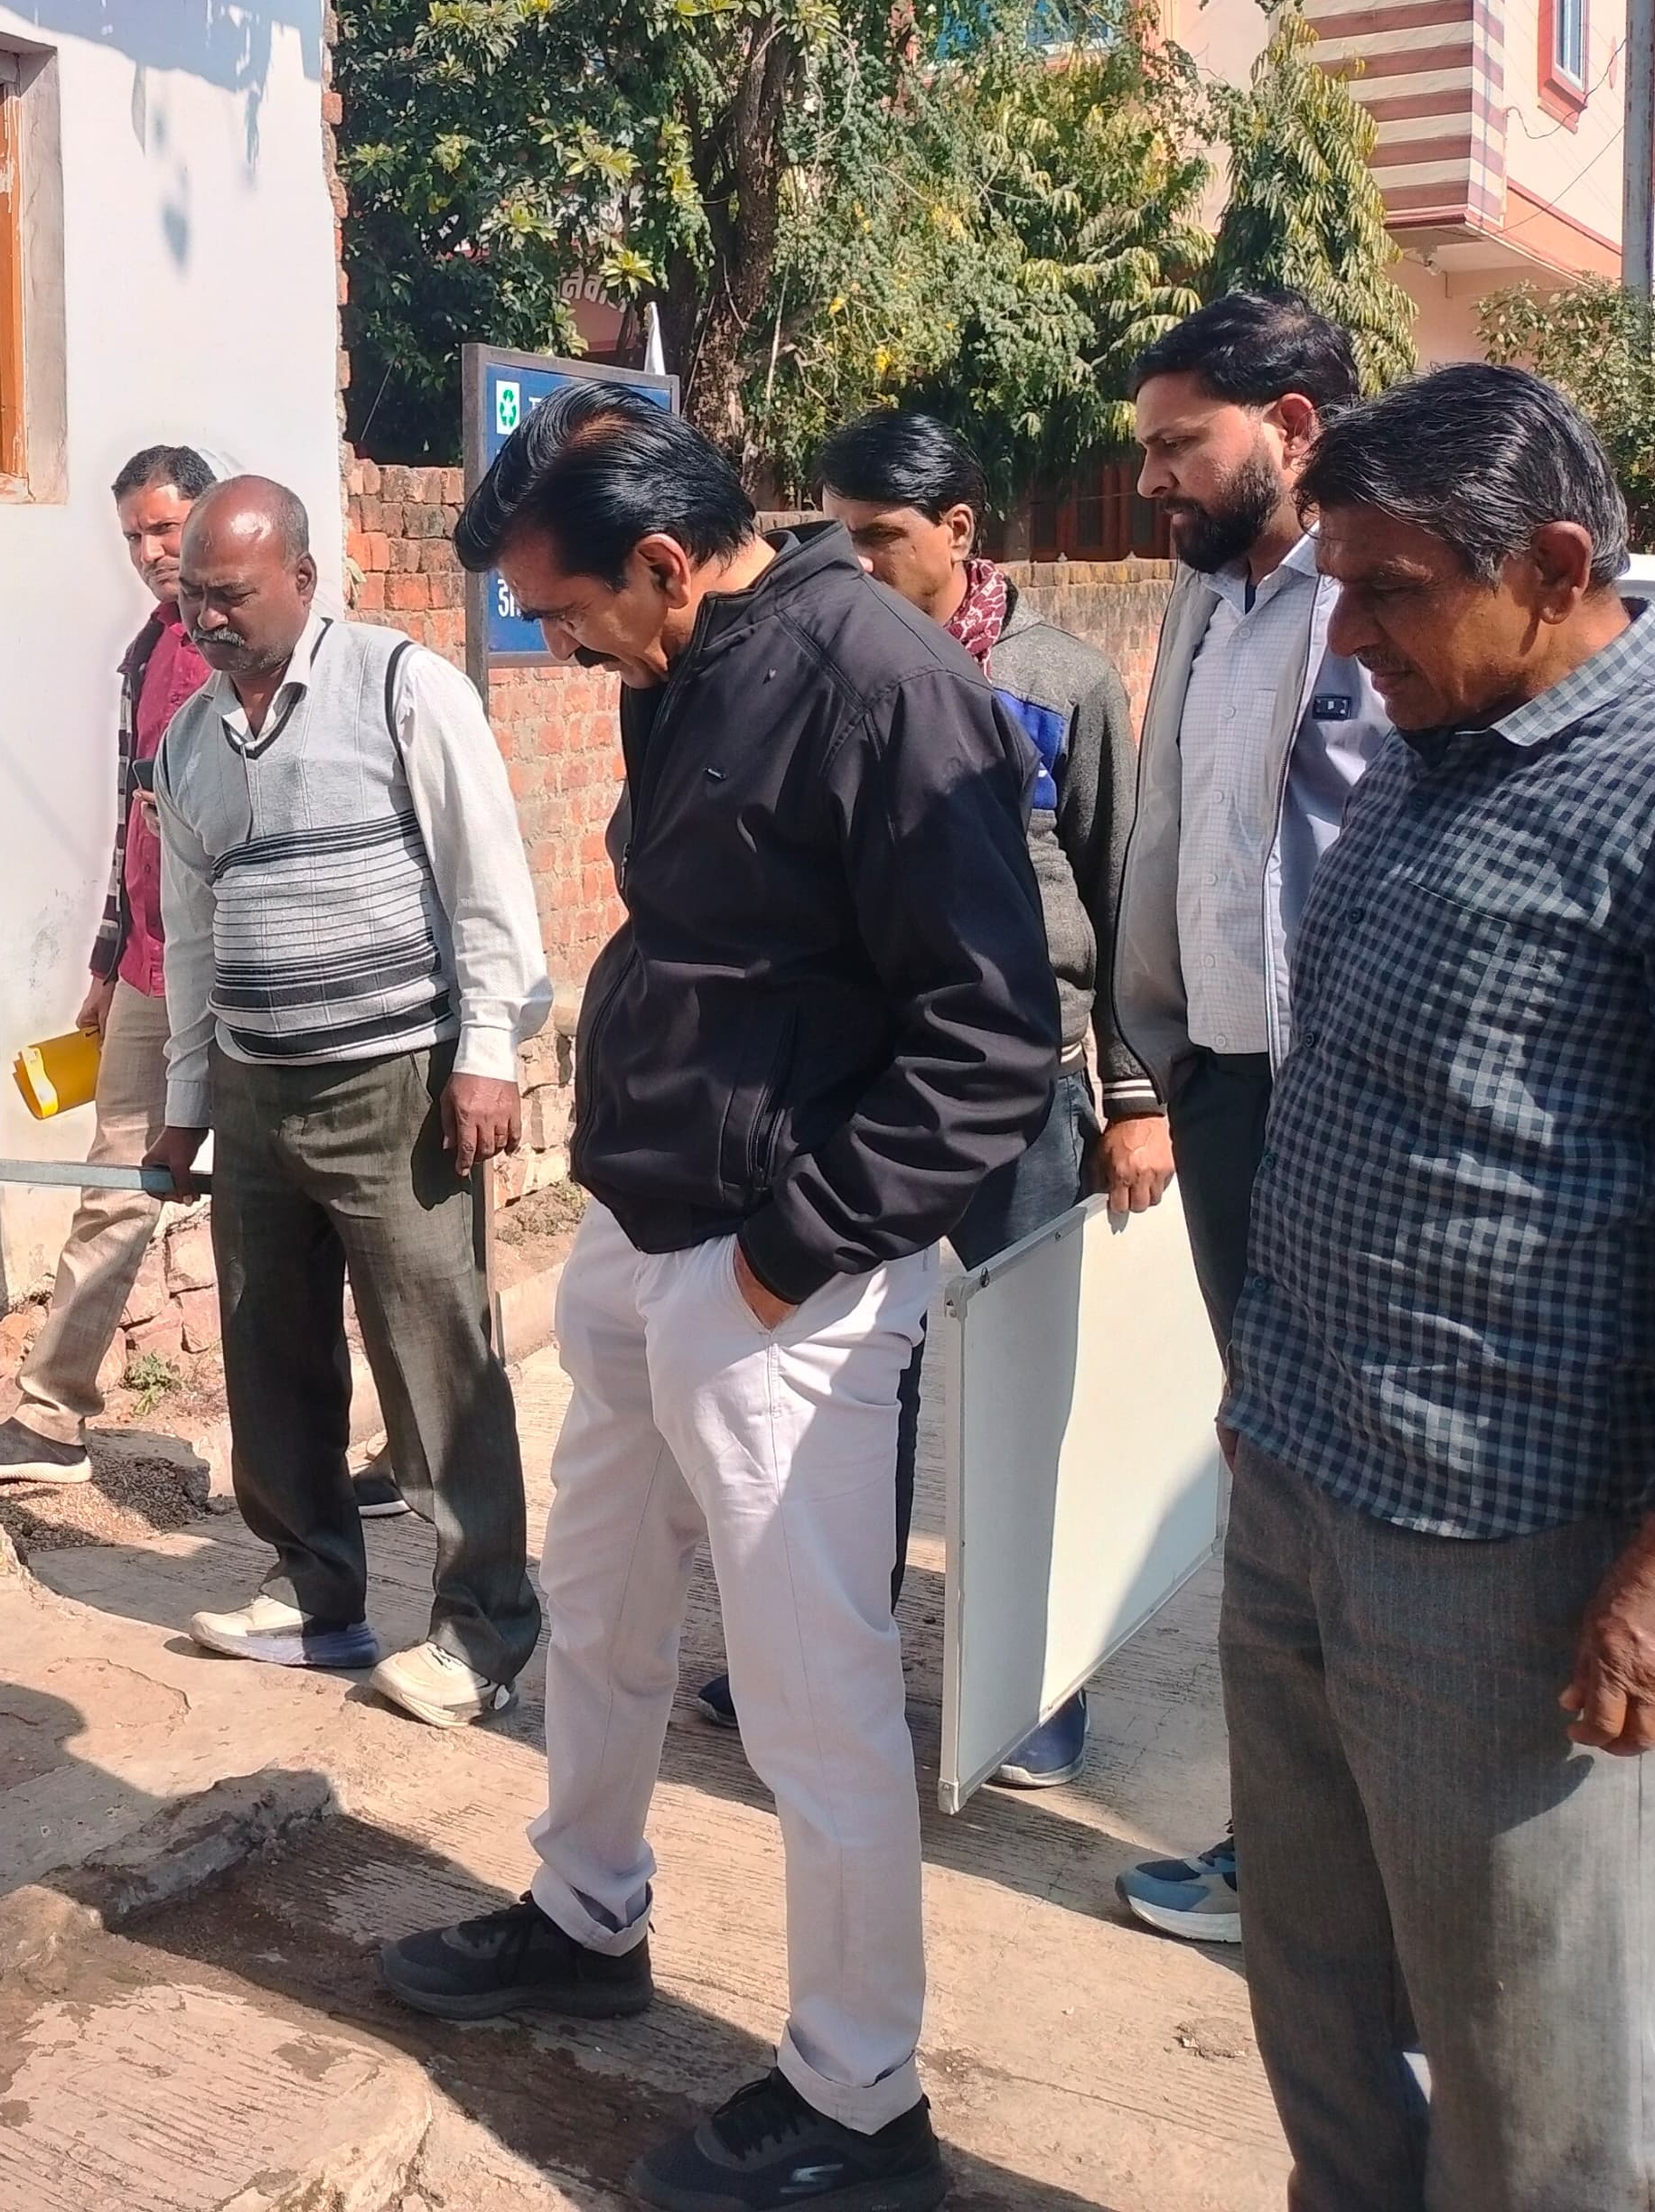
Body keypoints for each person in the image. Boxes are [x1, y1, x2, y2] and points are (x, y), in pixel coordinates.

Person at [1226, 366, 1655, 2207]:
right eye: (1336, 590)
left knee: (1546, 2068)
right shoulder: (1428, 754)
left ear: (1552, 566)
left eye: (1387, 592)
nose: (1348, 640)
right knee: (1319, 2000)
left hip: (1518, 1556)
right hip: (1305, 1488)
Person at [381, 387, 1056, 2212]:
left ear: (667, 563)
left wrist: (794, 1247)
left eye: (567, 610)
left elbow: (991, 1041)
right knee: (601, 1604)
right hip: (648, 1226)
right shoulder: (684, 665)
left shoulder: (881, 685)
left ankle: (858, 2096)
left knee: (811, 1697)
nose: (556, 644)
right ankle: (585, 1915)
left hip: (787, 1272)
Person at [678, 407, 1166, 1789]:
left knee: (1022, 1398)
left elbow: (1123, 891)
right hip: (858, 1092)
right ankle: (830, 1654)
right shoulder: (819, 665)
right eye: (837, 535)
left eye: (883, 536)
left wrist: (1134, 1092)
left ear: (959, 529)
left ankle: (1031, 1678)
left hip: (1017, 1089)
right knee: (846, 1391)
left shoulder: (1062, 681)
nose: (856, 561)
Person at [140, 477, 551, 1728]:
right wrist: (186, 1097)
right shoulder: (187, 741)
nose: (205, 617)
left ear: (303, 580)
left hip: (398, 1085)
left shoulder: (400, 687)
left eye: (229, 594)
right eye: (191, 596)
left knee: (436, 1360)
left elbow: (486, 879)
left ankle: (482, 1630)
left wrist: (489, 1051)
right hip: (256, 1092)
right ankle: (314, 1597)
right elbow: (193, 934)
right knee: (270, 1354)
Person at [1100, 286, 1395, 1945]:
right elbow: (1183, 850)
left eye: (1177, 446)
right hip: (1227, 1093)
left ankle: (1348, 1871)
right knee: (1275, 1481)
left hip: (1355, 1111)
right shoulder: (1210, 603)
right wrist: (1158, 1069)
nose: (1152, 480)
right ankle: (1292, 1846)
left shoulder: (1383, 599)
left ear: (1292, 427)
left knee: (1353, 1496)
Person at [0, 443, 219, 1488]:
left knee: (287, 1200)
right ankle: (51, 1417)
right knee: (115, 1181)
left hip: (245, 972)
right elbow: (127, 821)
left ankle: (349, 1448)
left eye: (164, 529)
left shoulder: (245, 644)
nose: (149, 552)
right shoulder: (148, 649)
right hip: (150, 966)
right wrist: (106, 955)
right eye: (134, 536)